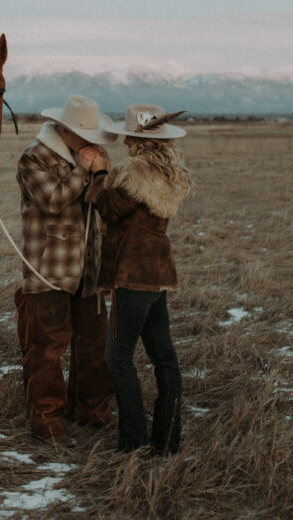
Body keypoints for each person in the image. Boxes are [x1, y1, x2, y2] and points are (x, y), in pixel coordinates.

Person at [86, 104, 192, 455]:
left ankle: (133, 441)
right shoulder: (168, 171)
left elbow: (109, 209)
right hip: (158, 274)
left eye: (129, 137)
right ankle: (167, 441)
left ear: (135, 138)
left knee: (117, 357)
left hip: (131, 275)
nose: (125, 143)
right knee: (164, 359)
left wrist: (99, 174)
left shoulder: (135, 172)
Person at [14, 95, 116, 445]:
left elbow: (105, 206)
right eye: (85, 134)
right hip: (48, 271)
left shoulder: (86, 158)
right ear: (66, 129)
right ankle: (47, 421)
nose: (91, 141)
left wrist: (101, 175)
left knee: (93, 344)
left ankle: (91, 410)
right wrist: (83, 171)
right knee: (46, 349)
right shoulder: (33, 157)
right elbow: (53, 200)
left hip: (88, 271)